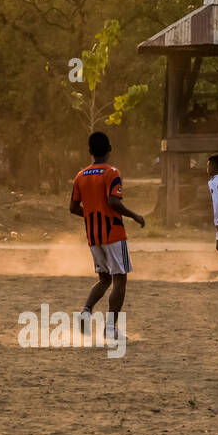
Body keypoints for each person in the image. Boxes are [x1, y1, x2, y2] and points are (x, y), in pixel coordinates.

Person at [70, 131, 144, 341]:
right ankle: (110, 329)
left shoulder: (80, 175)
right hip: (113, 233)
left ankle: (86, 310)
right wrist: (134, 215)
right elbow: (113, 202)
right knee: (120, 280)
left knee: (104, 279)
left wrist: (92, 214)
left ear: (89, 151)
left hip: (93, 235)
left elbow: (73, 207)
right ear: (109, 149)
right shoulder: (111, 172)